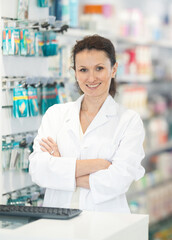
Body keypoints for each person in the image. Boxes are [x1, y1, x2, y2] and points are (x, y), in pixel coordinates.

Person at [29, 35, 145, 213]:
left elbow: (118, 181)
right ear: (75, 72)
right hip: (57, 219)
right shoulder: (55, 115)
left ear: (113, 69)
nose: (91, 78)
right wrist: (99, 164)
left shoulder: (129, 121)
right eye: (83, 70)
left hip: (106, 222)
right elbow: (38, 170)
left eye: (99, 68)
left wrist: (61, 167)